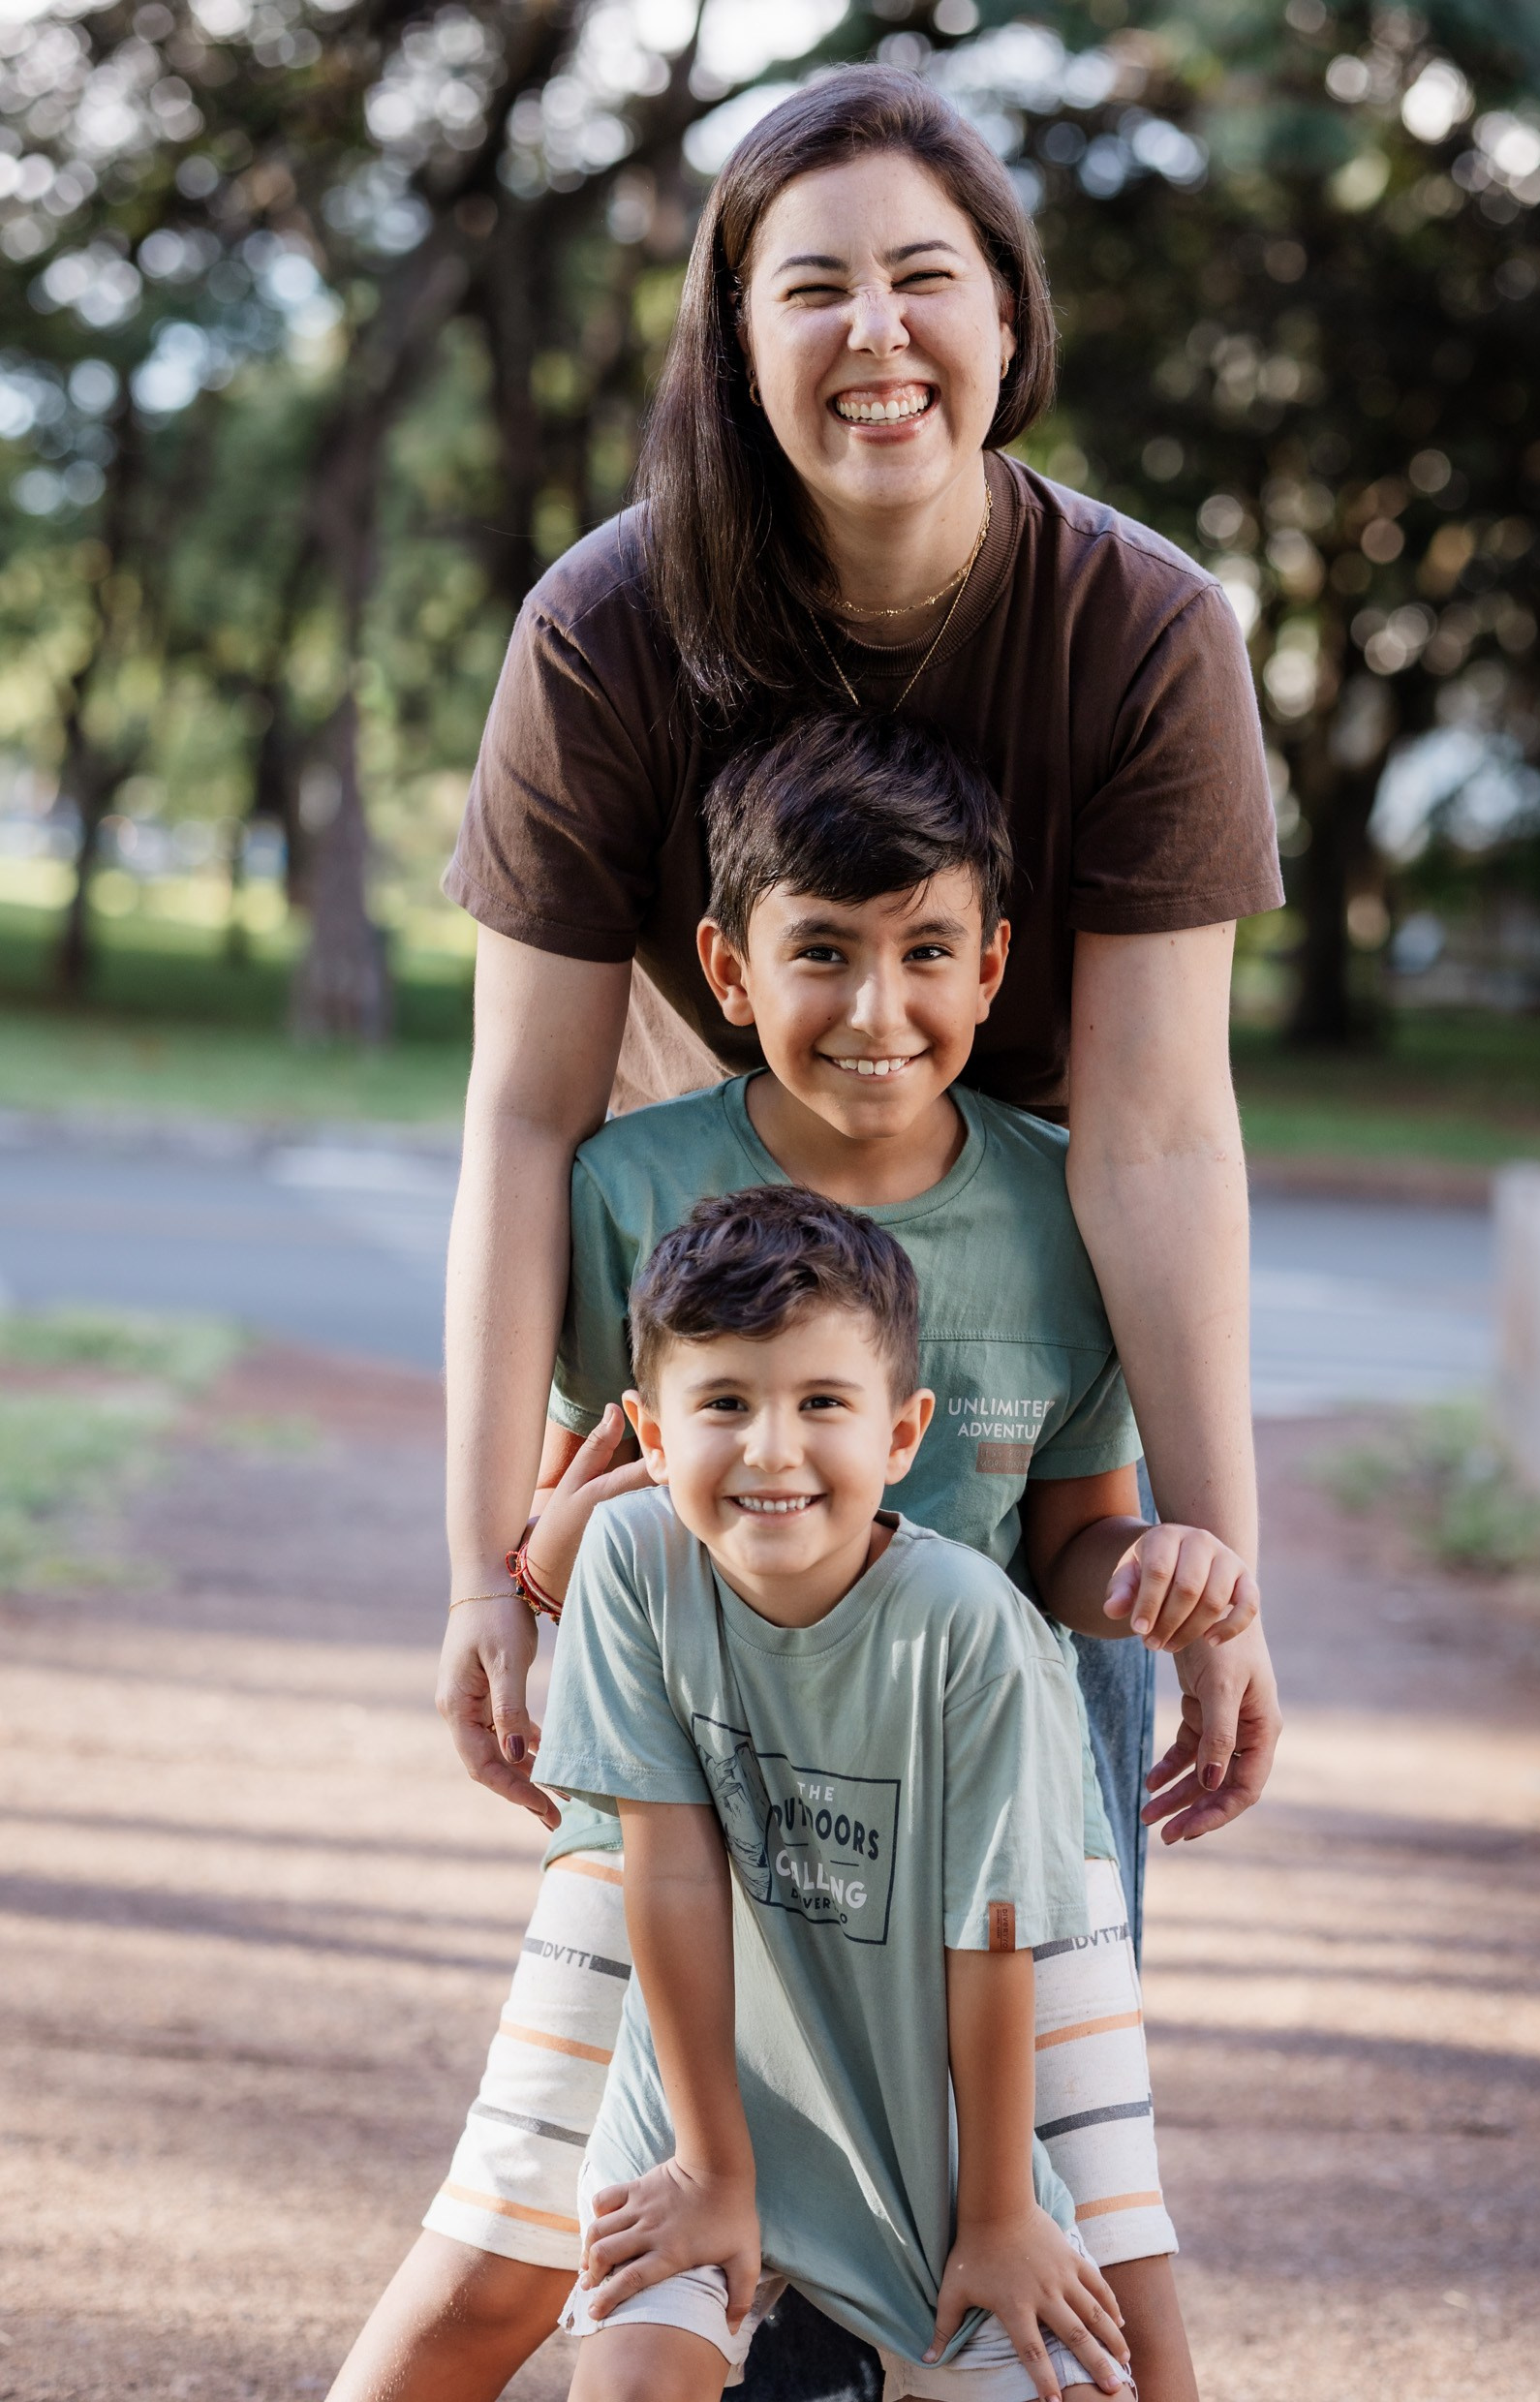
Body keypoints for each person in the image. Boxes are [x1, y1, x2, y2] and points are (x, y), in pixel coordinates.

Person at [435, 65, 1282, 1923]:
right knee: (684, 2016)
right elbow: (519, 1115)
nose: (873, 333)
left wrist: (1215, 1562)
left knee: (1019, 1999)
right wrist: (479, 1579)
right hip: (719, 1325)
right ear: (737, 345)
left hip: (1000, 1306)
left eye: (923, 276)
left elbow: (1154, 1128)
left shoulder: (1144, 635)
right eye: (809, 286)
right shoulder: (603, 629)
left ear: (1004, 313)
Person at [328, 712, 1258, 2402]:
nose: (877, 1006)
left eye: (923, 953)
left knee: (1113, 2316)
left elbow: (1064, 1536)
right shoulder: (629, 1191)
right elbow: (580, 1513)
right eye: (819, 951)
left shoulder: (1065, 1214)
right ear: (728, 967)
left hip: (969, 1815)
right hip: (684, 1804)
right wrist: (524, 1571)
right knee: (495, 2277)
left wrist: (1151, 1573)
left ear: (991, 968)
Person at [534, 1186, 1163, 2402]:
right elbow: (665, 1865)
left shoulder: (969, 1628)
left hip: (931, 2136)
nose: (772, 1447)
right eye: (723, 1402)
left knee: (1078, 2363)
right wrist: (714, 2166)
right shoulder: (633, 1556)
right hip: (708, 2106)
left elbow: (988, 1933)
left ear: (903, 1431)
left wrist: (993, 2214)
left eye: (822, 1401)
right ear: (652, 1437)